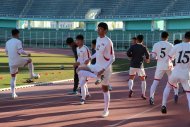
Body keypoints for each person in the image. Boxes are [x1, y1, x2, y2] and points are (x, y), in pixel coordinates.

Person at [77, 22, 115, 117]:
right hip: (96, 65)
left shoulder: (108, 42)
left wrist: (103, 69)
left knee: (105, 89)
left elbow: (112, 58)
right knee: (80, 69)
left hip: (105, 68)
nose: (98, 30)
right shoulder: (98, 39)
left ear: (105, 30)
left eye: (100, 29)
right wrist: (90, 58)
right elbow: (97, 53)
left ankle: (106, 110)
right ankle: (97, 77)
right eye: (98, 29)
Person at [161, 31, 190, 114]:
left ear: (184, 37)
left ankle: (163, 105)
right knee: (188, 94)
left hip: (176, 71)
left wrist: (170, 65)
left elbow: (169, 58)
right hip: (186, 73)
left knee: (168, 87)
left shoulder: (177, 46)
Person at [5, 29, 39, 99]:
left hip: (11, 62)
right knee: (30, 60)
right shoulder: (18, 41)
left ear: (12, 34)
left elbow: (6, 53)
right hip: (17, 60)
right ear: (17, 34)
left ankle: (13, 94)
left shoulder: (7, 42)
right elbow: (20, 51)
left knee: (13, 78)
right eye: (19, 34)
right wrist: (27, 54)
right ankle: (32, 75)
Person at [149, 32, 179, 105]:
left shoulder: (156, 44)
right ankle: (176, 94)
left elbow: (153, 56)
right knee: (174, 80)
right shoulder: (171, 45)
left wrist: (157, 57)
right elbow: (173, 57)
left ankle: (151, 97)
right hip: (169, 66)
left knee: (155, 82)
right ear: (167, 37)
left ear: (161, 36)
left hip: (160, 66)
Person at [127, 35, 150, 100]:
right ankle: (143, 94)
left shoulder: (133, 46)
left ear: (137, 40)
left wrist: (131, 56)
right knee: (143, 80)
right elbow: (147, 55)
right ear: (142, 40)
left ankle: (130, 89)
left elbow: (128, 53)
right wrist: (147, 59)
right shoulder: (144, 47)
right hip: (140, 65)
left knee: (131, 78)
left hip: (132, 65)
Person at [73, 35, 91, 104]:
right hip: (79, 67)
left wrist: (82, 64)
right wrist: (77, 63)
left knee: (82, 83)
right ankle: (87, 93)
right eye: (76, 40)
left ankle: (83, 98)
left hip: (85, 67)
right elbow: (79, 58)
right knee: (83, 82)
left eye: (78, 40)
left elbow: (89, 59)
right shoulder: (77, 48)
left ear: (82, 41)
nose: (77, 42)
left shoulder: (85, 48)